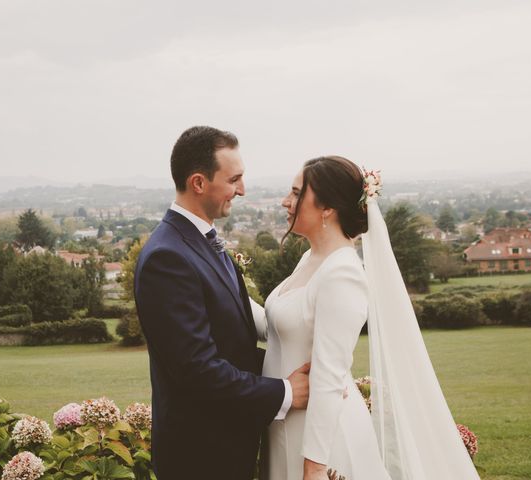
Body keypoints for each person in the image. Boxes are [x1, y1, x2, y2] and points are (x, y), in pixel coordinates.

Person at [261, 156, 481, 480]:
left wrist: (315, 468)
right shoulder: (311, 258)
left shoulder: (342, 273)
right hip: (287, 425)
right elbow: (280, 321)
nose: (285, 202)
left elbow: (329, 377)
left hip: (321, 442)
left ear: (327, 208)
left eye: (296, 193)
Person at [134, 126, 310, 480]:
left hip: (229, 446)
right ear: (199, 183)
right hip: (200, 456)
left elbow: (233, 342)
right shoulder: (167, 258)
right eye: (234, 179)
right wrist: (285, 391)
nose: (242, 190)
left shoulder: (200, 242)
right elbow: (197, 369)